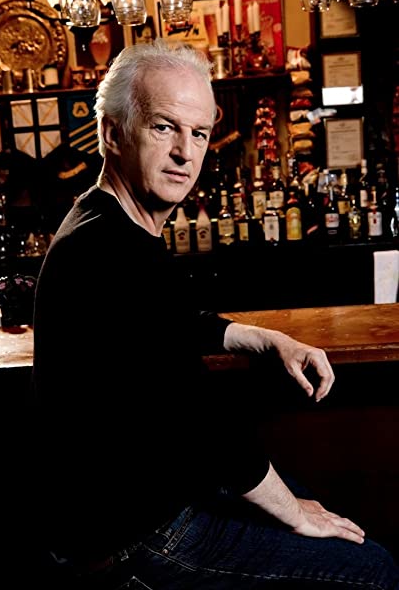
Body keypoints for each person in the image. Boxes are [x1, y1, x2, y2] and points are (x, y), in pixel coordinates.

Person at [30, 38, 399, 589]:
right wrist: (294, 514)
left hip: (146, 504)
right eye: (164, 127)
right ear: (112, 133)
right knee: (374, 569)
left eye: (199, 133)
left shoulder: (107, 222)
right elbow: (206, 428)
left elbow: (169, 320)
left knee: (318, 509)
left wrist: (266, 338)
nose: (186, 152)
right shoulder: (105, 251)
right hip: (133, 538)